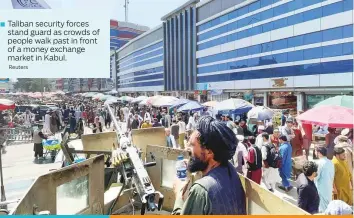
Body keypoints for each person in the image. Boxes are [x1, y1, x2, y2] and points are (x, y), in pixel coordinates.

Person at [172, 116, 246, 215]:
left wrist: (179, 195)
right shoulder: (230, 170)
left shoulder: (201, 190)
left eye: (192, 145)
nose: (187, 149)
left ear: (209, 152)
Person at [313, 146, 335, 213]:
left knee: (322, 207)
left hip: (321, 187)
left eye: (316, 152)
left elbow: (316, 177)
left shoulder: (319, 163)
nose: (315, 153)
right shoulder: (330, 162)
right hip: (329, 186)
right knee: (328, 205)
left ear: (319, 153)